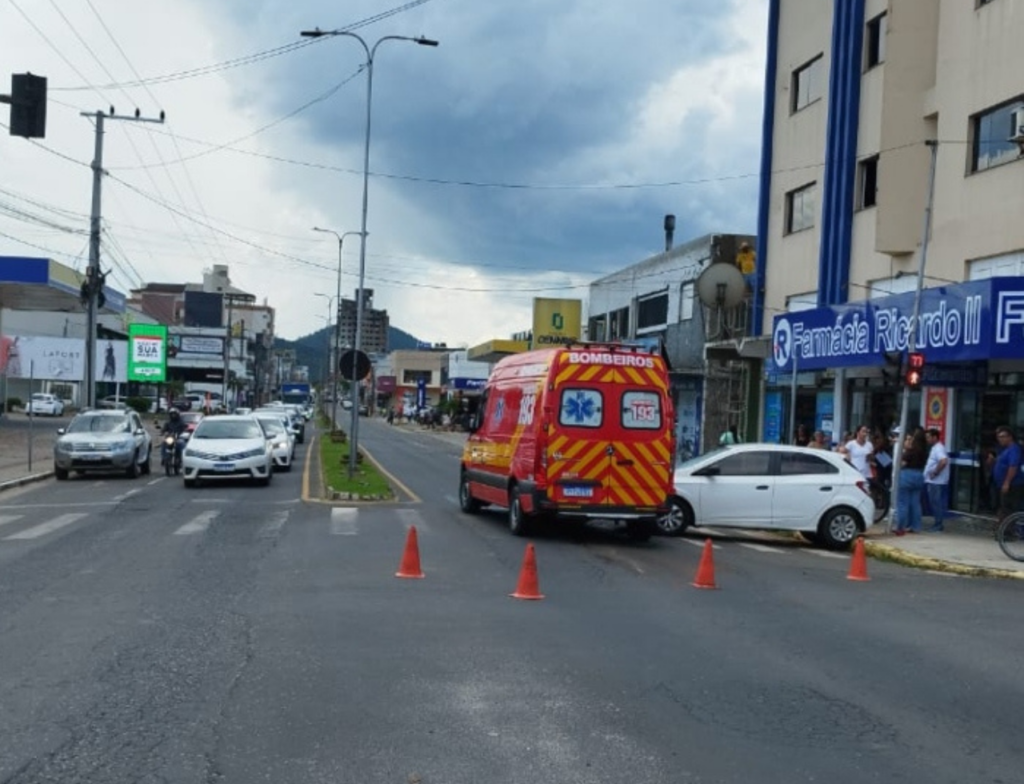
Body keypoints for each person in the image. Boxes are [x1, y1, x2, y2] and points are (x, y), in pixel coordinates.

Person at [894, 430, 928, 535]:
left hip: (906, 475)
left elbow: (901, 464)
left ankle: (900, 526)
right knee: (915, 503)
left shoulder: (911, 451)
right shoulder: (924, 451)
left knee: (902, 503)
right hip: (919, 475)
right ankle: (916, 526)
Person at [990, 425, 1024, 523]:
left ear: (1010, 437)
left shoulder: (1014, 449)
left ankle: (1008, 529)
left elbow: (1013, 467)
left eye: (1003, 436)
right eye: (998, 437)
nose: (1000, 439)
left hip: (1013, 485)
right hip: (1002, 484)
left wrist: (1007, 483)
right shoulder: (1005, 449)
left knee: (1009, 508)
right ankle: (1004, 527)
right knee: (1004, 507)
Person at [924, 427, 950, 532]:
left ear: (934, 437)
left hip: (936, 481)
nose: (927, 439)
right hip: (934, 481)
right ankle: (937, 523)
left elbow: (943, 461)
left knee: (936, 503)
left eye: (928, 437)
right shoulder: (935, 448)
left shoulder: (939, 448)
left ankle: (938, 525)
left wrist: (935, 472)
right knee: (934, 502)